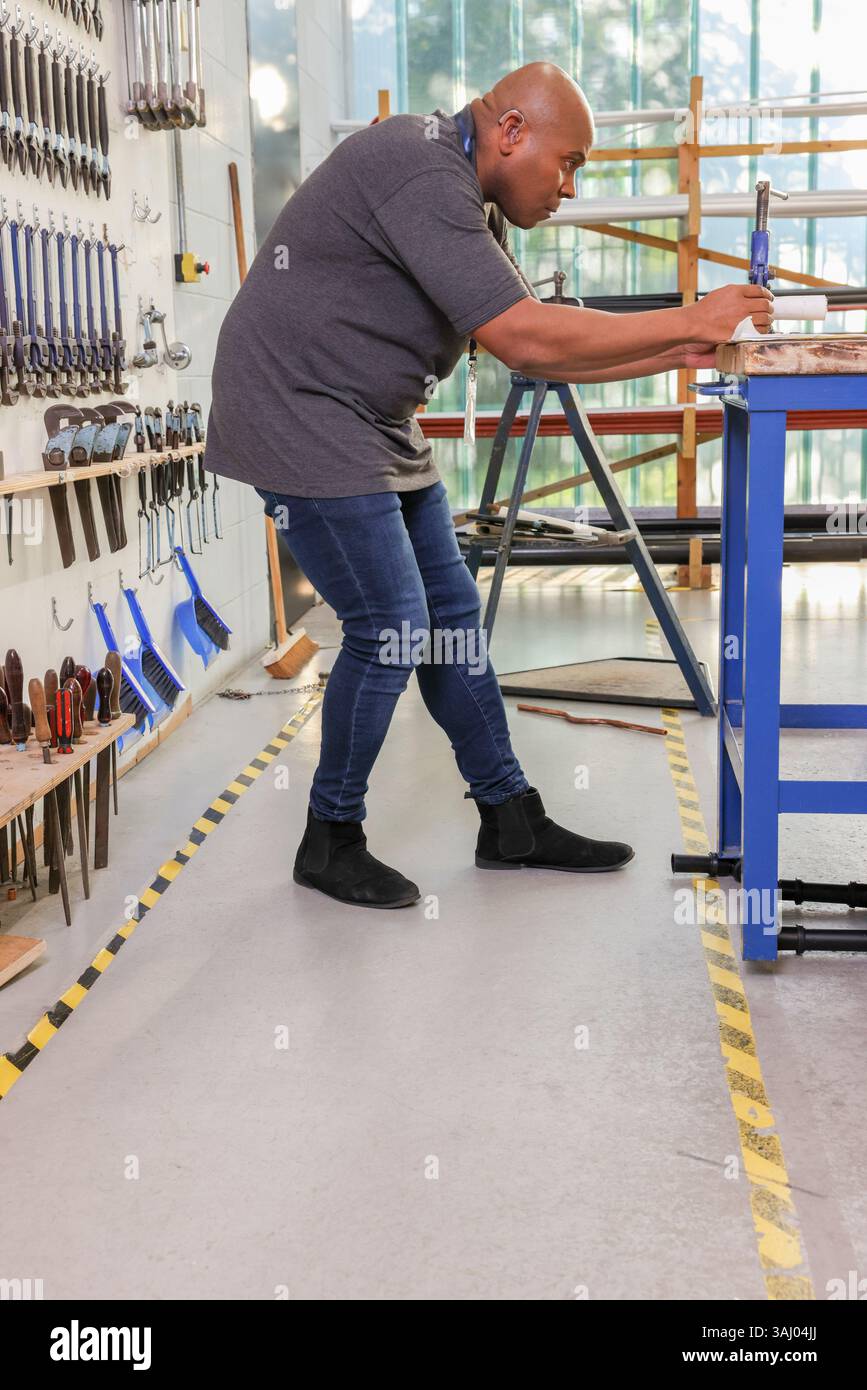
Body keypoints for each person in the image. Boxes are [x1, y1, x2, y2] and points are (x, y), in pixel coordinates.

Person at [206, 62, 773, 911]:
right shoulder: (415, 165)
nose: (570, 189)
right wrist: (690, 315)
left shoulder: (467, 200)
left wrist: (676, 351)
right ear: (510, 131)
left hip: (372, 418)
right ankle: (329, 839)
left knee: (448, 617)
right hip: (298, 409)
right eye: (568, 162)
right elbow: (525, 341)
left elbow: (536, 339)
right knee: (393, 624)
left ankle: (509, 818)